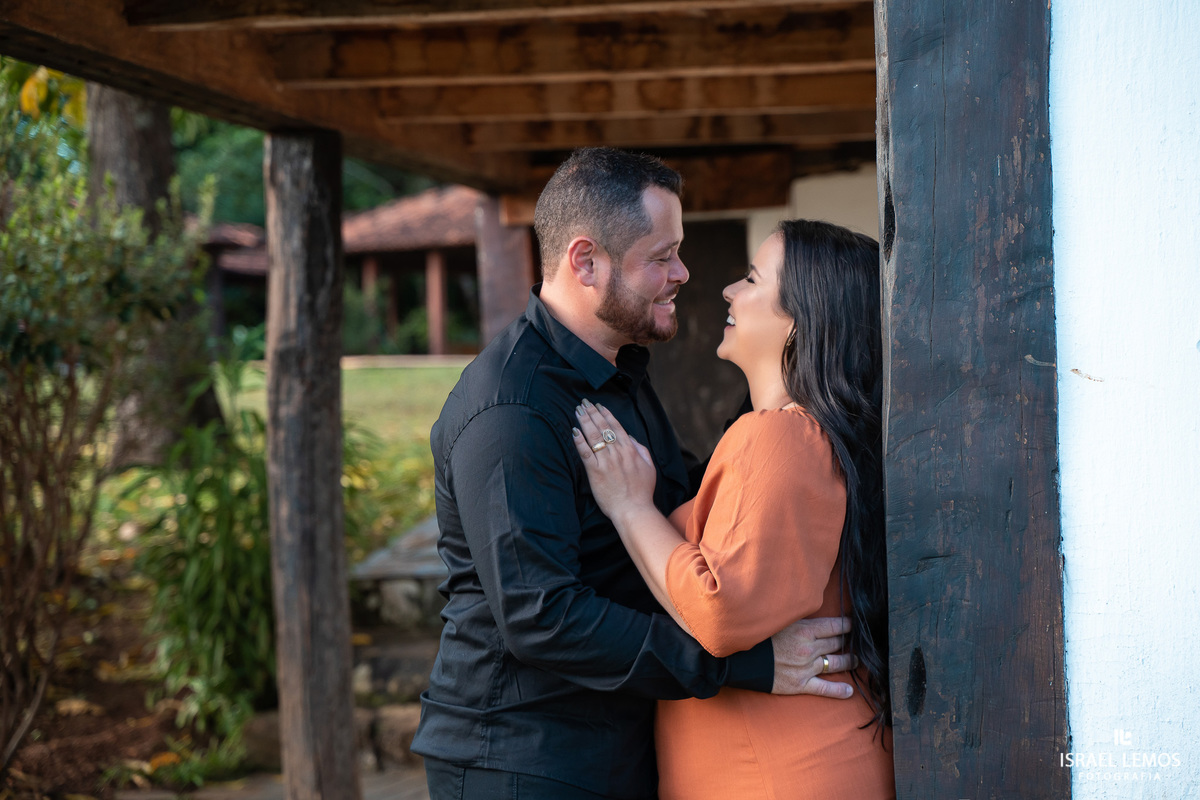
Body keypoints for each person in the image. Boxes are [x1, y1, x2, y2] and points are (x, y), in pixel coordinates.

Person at [411, 149, 858, 800]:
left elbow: (685, 501)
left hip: (615, 743)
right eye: (662, 256)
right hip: (522, 757)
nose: (683, 273)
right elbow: (543, 616)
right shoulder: (512, 409)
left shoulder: (617, 374)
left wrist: (807, 442)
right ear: (585, 261)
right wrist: (742, 663)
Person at [570, 219, 895, 799]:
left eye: (751, 278)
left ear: (803, 320)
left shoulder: (780, 439)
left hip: (775, 774)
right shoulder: (818, 439)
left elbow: (720, 613)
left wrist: (628, 507)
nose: (727, 291)